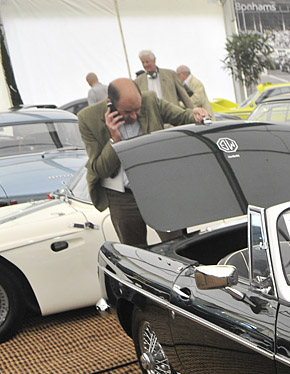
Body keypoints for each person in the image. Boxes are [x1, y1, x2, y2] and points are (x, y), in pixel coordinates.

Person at [78, 78, 209, 247]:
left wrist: (196, 114)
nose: (134, 116)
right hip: (122, 197)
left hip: (157, 190)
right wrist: (114, 139)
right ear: (110, 104)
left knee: (179, 246)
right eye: (127, 112)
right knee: (134, 254)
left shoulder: (150, 100)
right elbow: (100, 169)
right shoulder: (88, 119)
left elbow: (182, 116)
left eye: (137, 110)